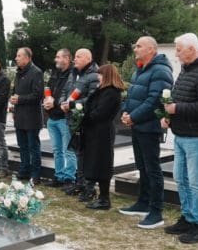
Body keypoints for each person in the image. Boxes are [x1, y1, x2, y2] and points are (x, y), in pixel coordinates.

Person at [120, 35, 175, 228]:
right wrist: (126, 112)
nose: (135, 49)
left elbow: (154, 101)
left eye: (139, 46)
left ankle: (156, 211)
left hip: (149, 127)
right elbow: (131, 94)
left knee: (153, 169)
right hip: (137, 125)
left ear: (152, 49)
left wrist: (133, 116)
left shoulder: (160, 70)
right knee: (142, 167)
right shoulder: (140, 68)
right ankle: (143, 203)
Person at [161, 32, 198, 242]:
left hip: (196, 137)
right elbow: (177, 97)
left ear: (192, 50)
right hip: (180, 134)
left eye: (178, 49)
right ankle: (188, 217)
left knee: (196, 183)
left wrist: (177, 108)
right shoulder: (185, 71)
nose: (176, 54)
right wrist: (168, 117)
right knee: (181, 179)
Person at [81, 63, 127, 211]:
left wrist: (86, 116)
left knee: (102, 164)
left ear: (106, 75)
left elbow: (100, 112)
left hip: (102, 132)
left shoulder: (111, 92)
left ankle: (104, 198)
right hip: (95, 131)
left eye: (100, 74)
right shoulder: (101, 90)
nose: (98, 77)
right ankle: (100, 196)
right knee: (96, 163)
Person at [62, 47, 101, 199]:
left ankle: (88, 186)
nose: (74, 59)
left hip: (85, 120)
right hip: (72, 119)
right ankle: (79, 183)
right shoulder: (74, 73)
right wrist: (62, 102)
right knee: (78, 153)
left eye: (78, 56)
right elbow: (65, 92)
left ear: (87, 58)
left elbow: (92, 99)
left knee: (86, 155)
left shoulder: (94, 76)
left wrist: (71, 105)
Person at [9, 47, 44, 184]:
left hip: (31, 117)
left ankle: (36, 175)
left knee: (33, 147)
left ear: (27, 58)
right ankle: (24, 170)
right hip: (20, 115)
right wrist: (13, 103)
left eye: (18, 56)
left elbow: (37, 95)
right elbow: (15, 92)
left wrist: (19, 99)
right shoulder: (18, 72)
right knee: (22, 145)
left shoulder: (36, 72)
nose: (16, 58)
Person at [43, 48, 75, 188]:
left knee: (68, 150)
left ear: (67, 59)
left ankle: (69, 178)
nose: (55, 60)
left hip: (64, 117)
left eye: (58, 57)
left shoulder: (73, 75)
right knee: (57, 150)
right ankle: (59, 176)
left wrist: (54, 102)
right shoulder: (55, 74)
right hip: (52, 117)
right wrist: (46, 101)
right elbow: (49, 91)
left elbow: (70, 95)